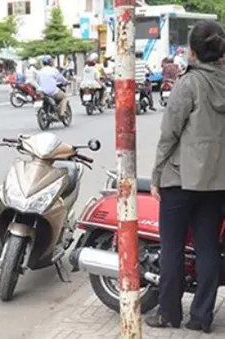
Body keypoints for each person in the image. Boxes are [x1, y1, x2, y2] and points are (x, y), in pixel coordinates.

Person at [147, 20, 225, 332]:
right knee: (207, 247)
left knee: (172, 248)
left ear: (191, 51)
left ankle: (168, 314)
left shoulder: (187, 84)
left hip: (179, 179)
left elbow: (169, 135)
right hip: (216, 181)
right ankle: (202, 317)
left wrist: (155, 173)